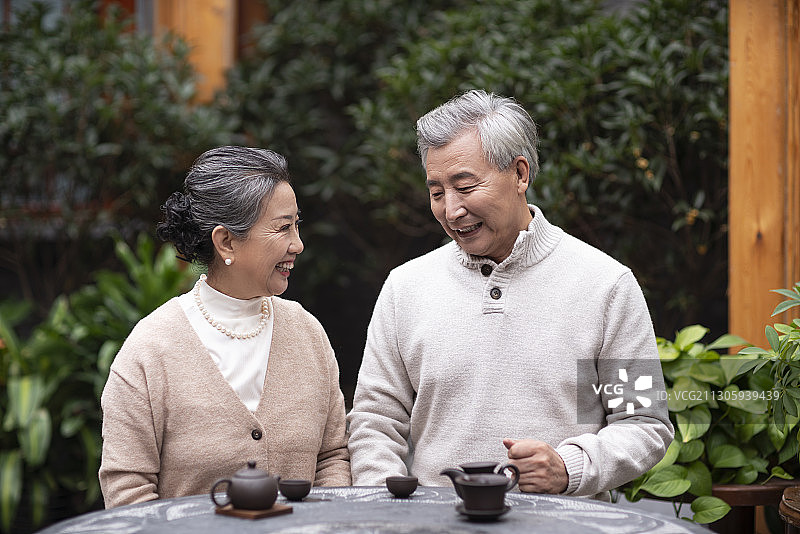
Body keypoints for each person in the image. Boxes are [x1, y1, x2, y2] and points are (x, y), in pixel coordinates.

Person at [347, 90, 673, 498]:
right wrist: (385, 503)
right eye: (436, 192)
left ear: (520, 174)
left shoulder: (605, 284)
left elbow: (644, 424)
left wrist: (568, 468)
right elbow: (376, 418)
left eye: (465, 187)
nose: (451, 210)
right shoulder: (406, 286)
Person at [99, 146, 351, 508]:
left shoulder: (307, 333)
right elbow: (128, 487)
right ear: (226, 241)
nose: (298, 243)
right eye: (283, 227)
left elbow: (332, 457)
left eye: (297, 224)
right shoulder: (150, 349)